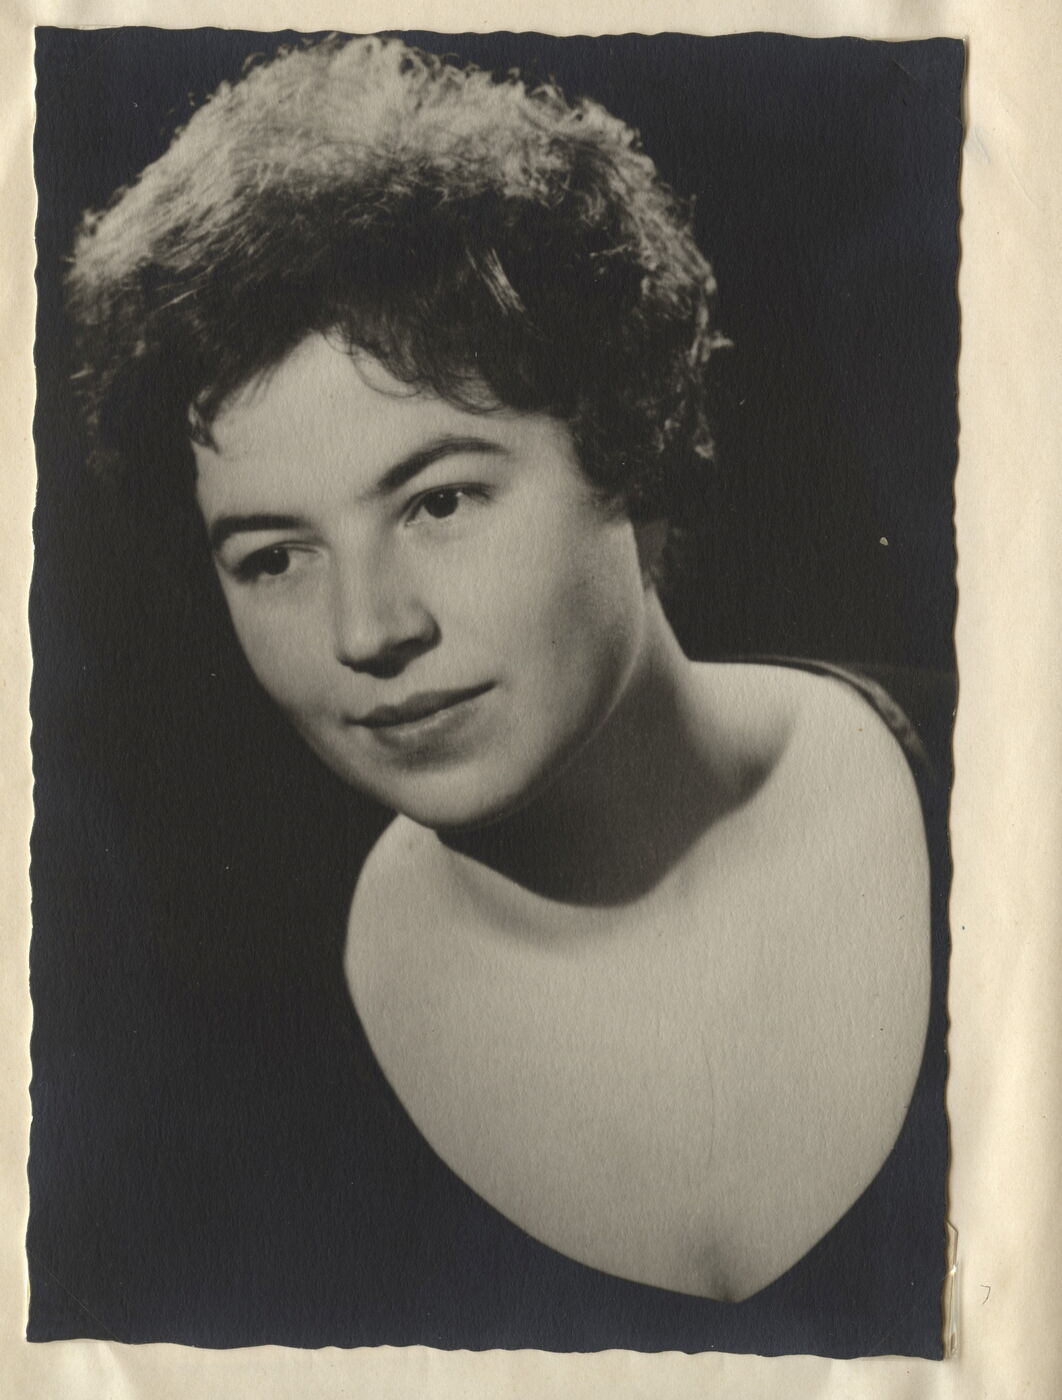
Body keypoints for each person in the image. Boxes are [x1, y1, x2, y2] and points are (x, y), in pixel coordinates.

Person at [52, 31, 950, 1345]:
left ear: (631, 452)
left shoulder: (1007, 782)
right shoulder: (217, 1098)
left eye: (439, 500)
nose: (369, 630)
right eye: (274, 556)